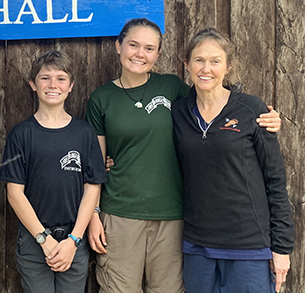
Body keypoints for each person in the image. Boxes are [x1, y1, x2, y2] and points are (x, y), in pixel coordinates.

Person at [85, 18, 282, 293]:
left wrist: (264, 117)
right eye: (133, 45)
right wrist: (93, 215)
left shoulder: (173, 89)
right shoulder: (100, 98)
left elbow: (216, 97)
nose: (140, 53)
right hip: (120, 213)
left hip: (174, 217)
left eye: (149, 48)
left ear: (158, 54)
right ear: (118, 46)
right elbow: (95, 164)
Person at [172, 28, 294, 293]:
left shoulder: (252, 110)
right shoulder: (178, 111)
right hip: (197, 245)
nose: (206, 68)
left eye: (215, 61)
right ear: (187, 65)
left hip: (247, 246)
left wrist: (282, 248)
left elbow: (275, 180)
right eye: (199, 60)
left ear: (227, 67)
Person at [0, 50, 107, 293]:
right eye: (45, 78)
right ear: (32, 84)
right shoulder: (20, 134)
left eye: (61, 78)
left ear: (71, 86)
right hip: (34, 241)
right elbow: (14, 194)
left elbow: (92, 188)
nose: (53, 85)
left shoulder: (84, 133)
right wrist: (44, 240)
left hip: (74, 239)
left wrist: (74, 240)